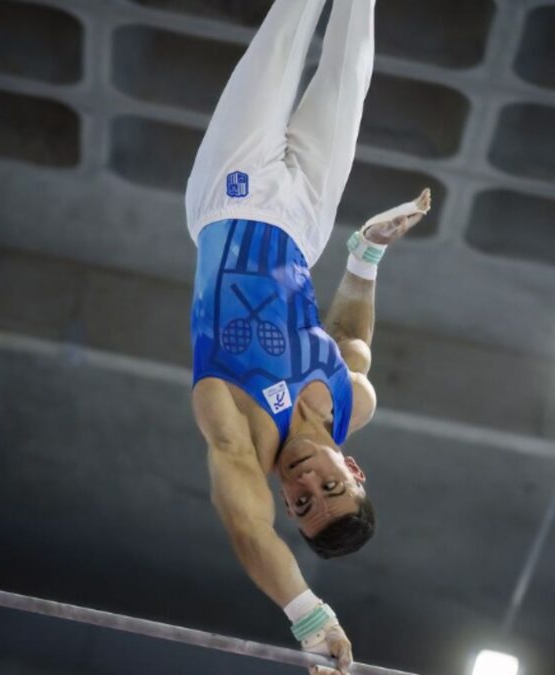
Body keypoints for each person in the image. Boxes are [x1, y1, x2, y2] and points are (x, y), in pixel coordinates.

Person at [183, 2, 429, 673]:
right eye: (330, 488)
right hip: (307, 223)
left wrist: (309, 615)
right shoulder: (354, 405)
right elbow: (351, 340)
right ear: (354, 468)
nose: (305, 485)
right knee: (350, 62)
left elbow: (244, 525)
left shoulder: (239, 429)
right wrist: (366, 257)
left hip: (229, 195)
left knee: (289, 28)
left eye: (300, 505)